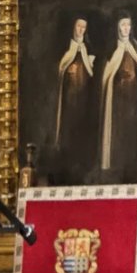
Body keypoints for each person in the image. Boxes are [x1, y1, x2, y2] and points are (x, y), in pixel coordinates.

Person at [98, 14, 137, 182]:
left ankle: (133, 169)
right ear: (118, 28)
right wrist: (118, 81)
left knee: (133, 137)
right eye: (123, 25)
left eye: (128, 25)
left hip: (134, 104)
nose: (126, 28)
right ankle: (116, 171)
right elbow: (106, 79)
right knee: (118, 138)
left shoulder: (136, 52)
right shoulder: (112, 53)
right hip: (117, 106)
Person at [52, 18, 96, 181]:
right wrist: (67, 71)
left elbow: (91, 73)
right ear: (73, 28)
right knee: (68, 130)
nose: (81, 30)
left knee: (81, 130)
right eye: (78, 26)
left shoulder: (87, 49)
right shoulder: (67, 49)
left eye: (84, 27)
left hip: (84, 99)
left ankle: (82, 165)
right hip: (69, 100)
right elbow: (60, 70)